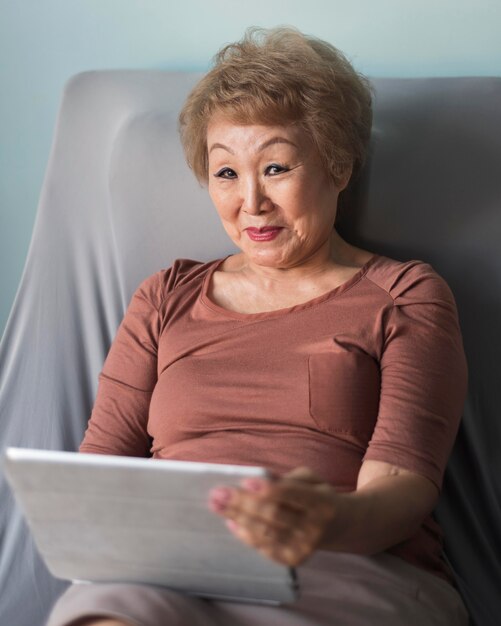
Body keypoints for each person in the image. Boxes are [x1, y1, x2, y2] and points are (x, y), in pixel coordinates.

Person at [47, 26, 469, 626]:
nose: (251, 202)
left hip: (347, 563)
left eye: (275, 167)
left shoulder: (405, 296)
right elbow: (99, 475)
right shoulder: (166, 298)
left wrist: (322, 520)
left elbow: (399, 493)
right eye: (226, 174)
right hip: (173, 569)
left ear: (339, 166)